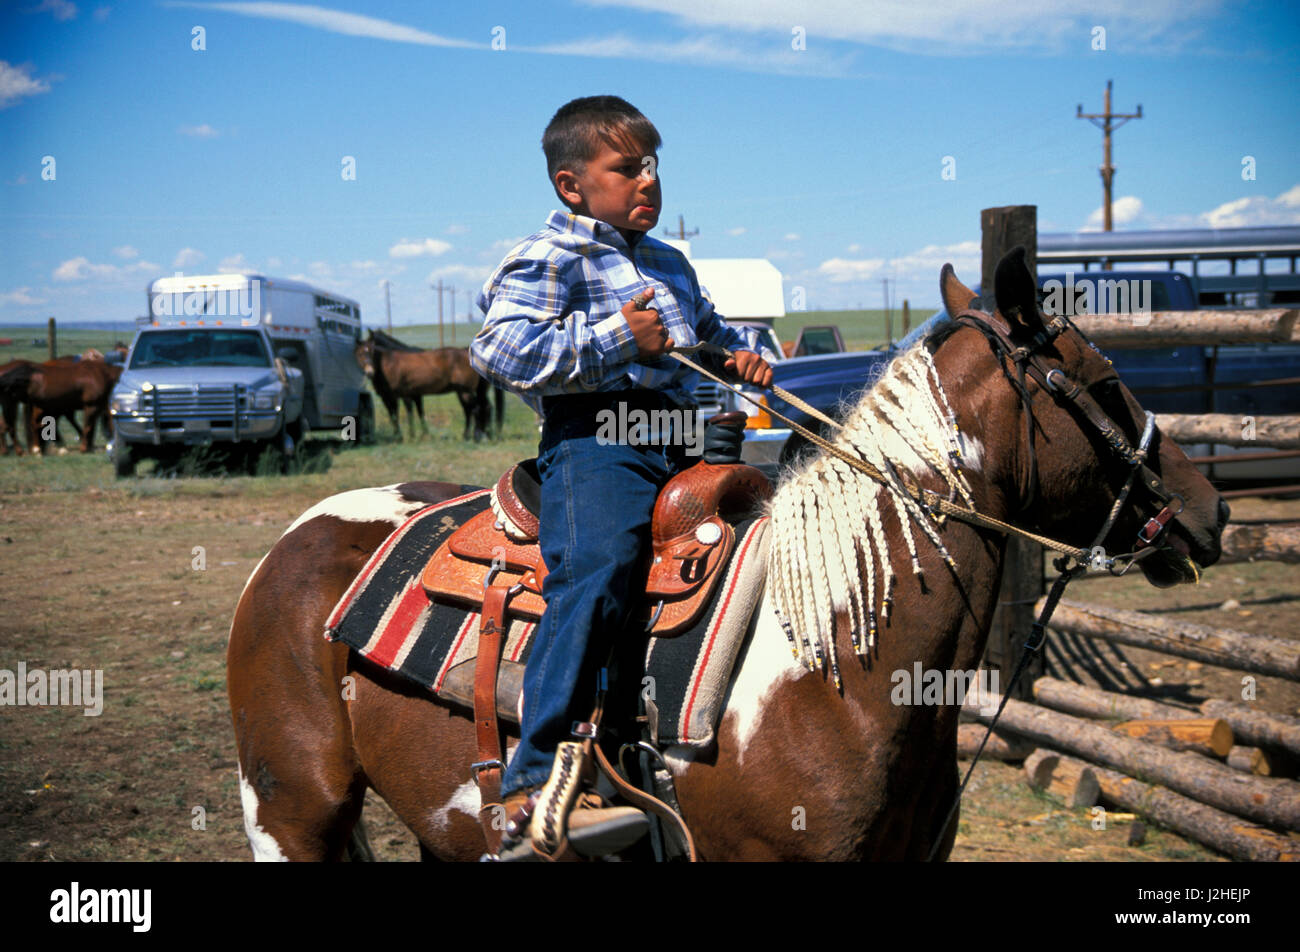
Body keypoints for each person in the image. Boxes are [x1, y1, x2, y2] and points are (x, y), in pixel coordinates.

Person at [469, 95, 776, 849]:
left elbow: (704, 334)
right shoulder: (546, 257)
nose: (648, 181)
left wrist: (735, 353)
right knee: (601, 565)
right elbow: (498, 354)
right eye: (627, 168)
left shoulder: (670, 261)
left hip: (682, 437)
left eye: (653, 166)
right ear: (572, 185)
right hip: (597, 442)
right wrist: (615, 337)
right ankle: (534, 780)